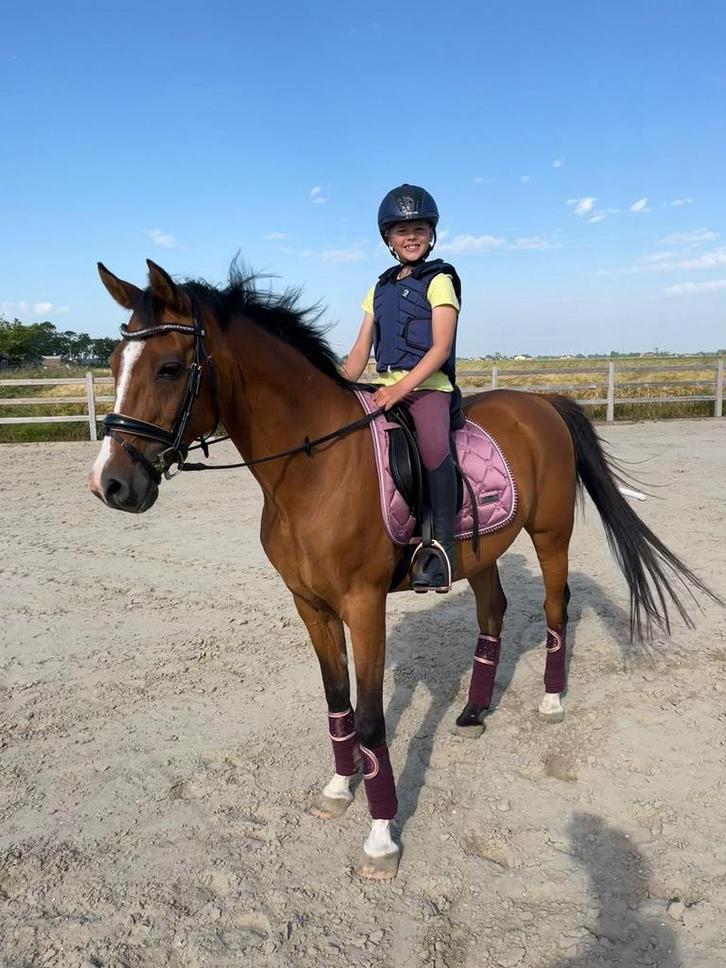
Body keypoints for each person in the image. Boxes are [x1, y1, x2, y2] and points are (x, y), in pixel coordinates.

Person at [342, 184, 461, 592]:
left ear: (431, 234)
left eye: (419, 229)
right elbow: (361, 348)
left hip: (428, 387)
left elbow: (440, 346)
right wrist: (338, 385)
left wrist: (401, 390)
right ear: (388, 238)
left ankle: (442, 547)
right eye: (401, 230)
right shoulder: (378, 288)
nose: (411, 237)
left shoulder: (440, 280)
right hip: (384, 386)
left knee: (432, 449)